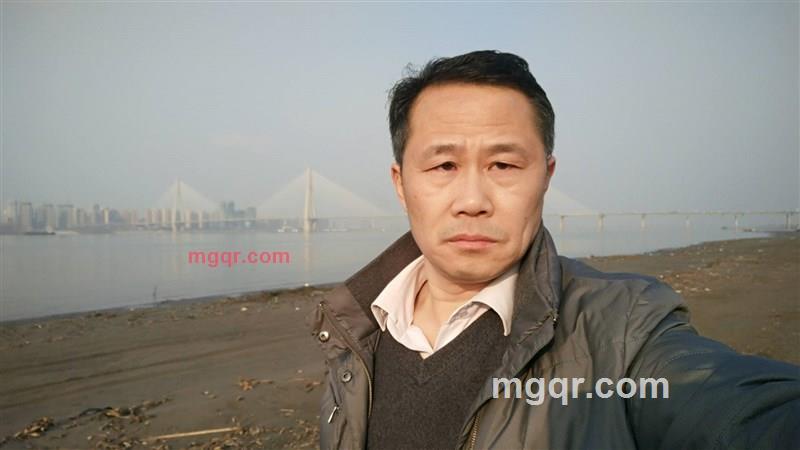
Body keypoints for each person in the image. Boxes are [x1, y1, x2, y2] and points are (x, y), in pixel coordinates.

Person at [307, 50, 800, 450]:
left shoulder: (622, 329)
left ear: (546, 176)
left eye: (503, 165)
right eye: (443, 167)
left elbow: (725, 403)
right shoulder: (355, 330)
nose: (473, 201)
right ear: (400, 183)